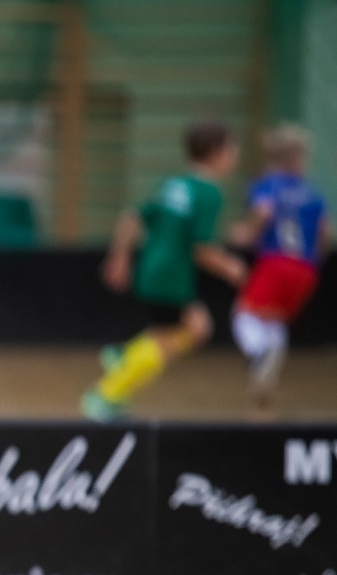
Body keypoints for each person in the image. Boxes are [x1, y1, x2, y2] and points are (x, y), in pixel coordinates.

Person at [83, 121, 247, 421]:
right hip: (172, 277)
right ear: (216, 153)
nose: (236, 155)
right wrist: (232, 269)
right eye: (232, 148)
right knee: (190, 331)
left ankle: (125, 356)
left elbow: (131, 218)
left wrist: (120, 258)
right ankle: (107, 393)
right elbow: (202, 250)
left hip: (151, 269)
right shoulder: (209, 193)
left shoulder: (172, 184)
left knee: (189, 327)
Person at [229, 124, 329, 409]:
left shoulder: (267, 185)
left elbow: (263, 213)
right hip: (306, 268)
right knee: (273, 320)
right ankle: (266, 375)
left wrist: (244, 233)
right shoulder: (314, 194)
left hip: (275, 261)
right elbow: (324, 234)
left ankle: (259, 353)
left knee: (244, 315)